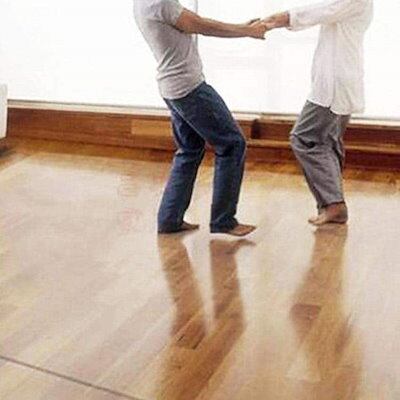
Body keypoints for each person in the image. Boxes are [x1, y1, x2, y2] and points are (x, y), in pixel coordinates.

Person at [134, 0, 267, 236]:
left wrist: (243, 27)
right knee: (232, 144)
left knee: (189, 150)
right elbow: (201, 25)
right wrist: (246, 31)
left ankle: (170, 219)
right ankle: (224, 221)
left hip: (172, 88)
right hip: (189, 89)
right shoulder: (160, 2)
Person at [262, 0, 374, 225]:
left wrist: (276, 20)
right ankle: (332, 205)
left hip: (335, 84)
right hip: (341, 80)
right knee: (328, 141)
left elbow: (318, 11)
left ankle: (333, 204)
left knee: (305, 138)